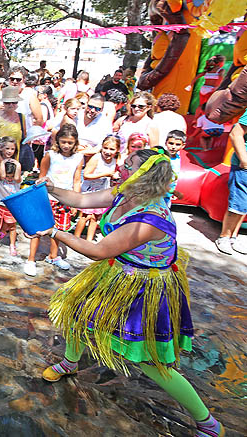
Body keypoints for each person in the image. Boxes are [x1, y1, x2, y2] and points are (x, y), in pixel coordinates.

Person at [40, 147, 225, 437]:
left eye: (129, 165)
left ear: (144, 177)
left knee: (150, 362)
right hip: (118, 274)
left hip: (146, 289)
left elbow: (99, 250)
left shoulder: (149, 220)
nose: (121, 167)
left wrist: (53, 233)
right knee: (75, 312)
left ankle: (208, 423)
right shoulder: (124, 193)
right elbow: (82, 199)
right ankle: (70, 362)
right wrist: (52, 189)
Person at [25, 124, 83, 277]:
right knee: (38, 228)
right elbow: (41, 178)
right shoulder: (50, 155)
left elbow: (77, 180)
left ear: (75, 142)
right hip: (48, 198)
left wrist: (75, 201)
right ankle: (31, 259)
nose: (66, 145)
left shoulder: (78, 157)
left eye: (70, 143)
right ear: (58, 141)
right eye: (63, 142)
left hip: (65, 199)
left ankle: (53, 256)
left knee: (58, 230)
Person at [74, 135, 119, 241]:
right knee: (85, 216)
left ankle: (89, 240)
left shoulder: (114, 161)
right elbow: (86, 175)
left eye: (112, 149)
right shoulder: (97, 158)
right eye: (105, 148)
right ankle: (76, 238)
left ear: (117, 150)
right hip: (89, 192)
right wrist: (106, 174)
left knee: (95, 217)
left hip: (101, 193)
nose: (107, 152)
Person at [215, 113, 247, 255]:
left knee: (244, 204)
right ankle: (224, 237)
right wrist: (244, 160)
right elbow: (235, 132)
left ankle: (234, 236)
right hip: (243, 167)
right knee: (238, 203)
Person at [0, 157, 21, 255]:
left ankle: (12, 245)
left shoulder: (17, 180)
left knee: (12, 228)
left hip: (11, 208)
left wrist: (18, 165)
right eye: (8, 176)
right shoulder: (1, 178)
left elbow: (16, 178)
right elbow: (2, 176)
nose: (9, 179)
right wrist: (3, 162)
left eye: (11, 177)